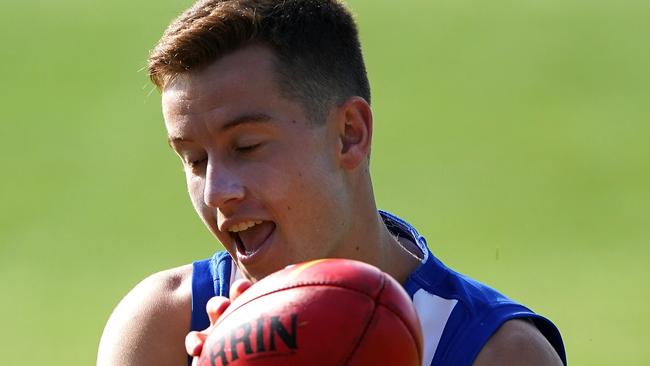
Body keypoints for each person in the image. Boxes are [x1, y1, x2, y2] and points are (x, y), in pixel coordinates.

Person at [97, 0, 566, 365]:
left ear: (349, 134)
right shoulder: (164, 328)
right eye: (194, 159)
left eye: (246, 147)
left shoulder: (494, 353)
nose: (217, 192)